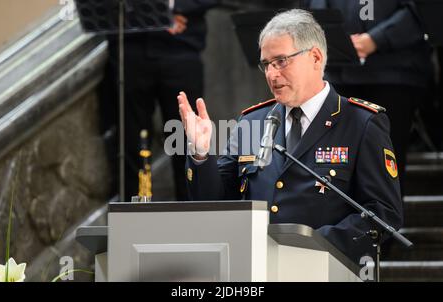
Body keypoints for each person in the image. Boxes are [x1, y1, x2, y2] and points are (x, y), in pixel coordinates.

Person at [178, 9, 403, 264]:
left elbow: (383, 214)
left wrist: (311, 246)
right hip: (258, 270)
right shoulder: (252, 122)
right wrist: (200, 152)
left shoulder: (361, 122)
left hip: (326, 269)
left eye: (282, 61)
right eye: (266, 64)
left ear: (315, 58)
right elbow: (213, 204)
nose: (272, 75)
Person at [303, 0, 434, 191]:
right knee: (333, 161)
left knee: (384, 159)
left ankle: (384, 219)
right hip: (337, 73)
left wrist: (376, 39)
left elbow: (422, 10)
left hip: (393, 74)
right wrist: (333, 37)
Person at [101, 0, 218, 202]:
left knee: (187, 140)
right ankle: (134, 219)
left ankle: (192, 216)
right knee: (131, 142)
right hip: (130, 49)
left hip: (181, 49)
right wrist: (154, 13)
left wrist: (171, 6)